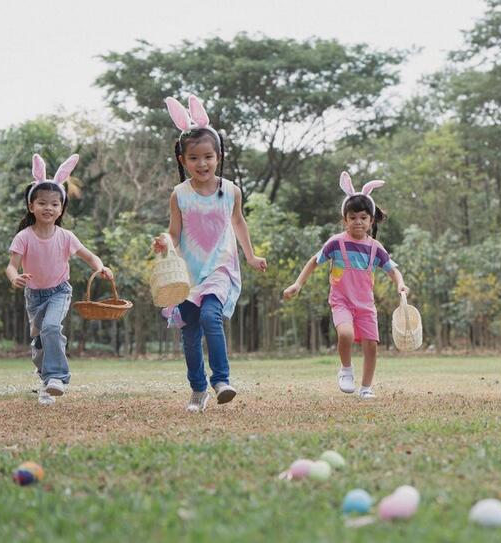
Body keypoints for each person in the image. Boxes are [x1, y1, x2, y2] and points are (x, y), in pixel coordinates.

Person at [152, 95, 267, 412]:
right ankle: (198, 389)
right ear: (182, 160)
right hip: (189, 273)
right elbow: (174, 232)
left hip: (220, 268)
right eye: (194, 158)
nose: (202, 164)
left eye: (208, 157)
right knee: (190, 333)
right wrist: (165, 244)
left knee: (211, 316)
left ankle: (221, 381)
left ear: (219, 157)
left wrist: (251, 256)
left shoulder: (231, 190)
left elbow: (239, 223)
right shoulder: (180, 194)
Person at [282, 172, 408, 399]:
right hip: (341, 302)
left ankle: (367, 387)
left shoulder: (375, 247)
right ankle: (346, 368)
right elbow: (314, 260)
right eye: (352, 218)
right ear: (345, 220)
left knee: (371, 345)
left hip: (366, 305)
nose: (358, 222)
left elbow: (392, 269)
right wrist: (297, 284)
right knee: (346, 334)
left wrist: (400, 284)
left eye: (363, 217)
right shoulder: (336, 243)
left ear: (371, 221)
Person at [6, 153, 114, 405]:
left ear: (61, 208)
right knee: (40, 339)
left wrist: (101, 267)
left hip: (59, 291)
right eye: (42, 203)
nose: (48, 208)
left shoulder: (66, 236)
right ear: (31, 206)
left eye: (55, 204)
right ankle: (46, 380)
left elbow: (89, 256)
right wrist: (15, 278)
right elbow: (11, 266)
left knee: (52, 328)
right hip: (34, 295)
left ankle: (57, 378)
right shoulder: (24, 236)